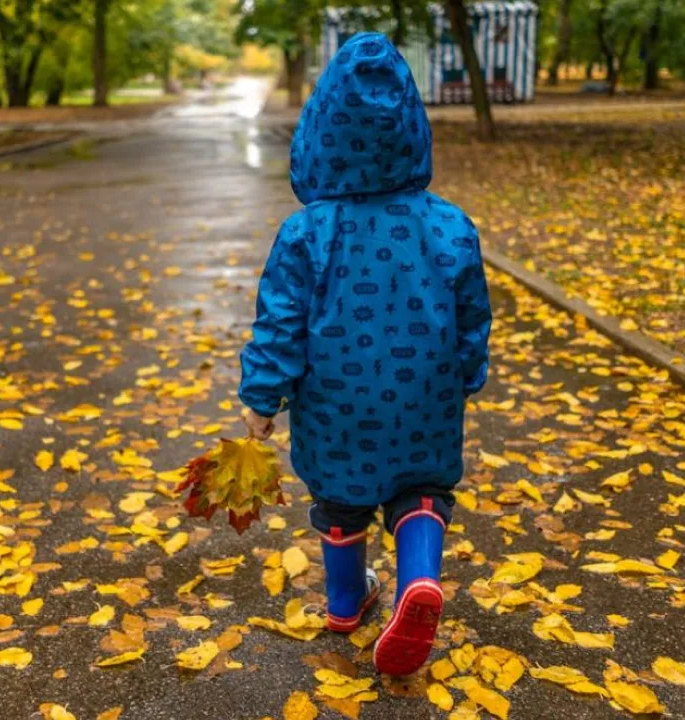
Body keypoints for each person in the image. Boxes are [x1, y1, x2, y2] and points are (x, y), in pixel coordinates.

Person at [238, 32, 492, 677]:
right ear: (412, 130)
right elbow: (471, 314)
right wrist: (468, 374)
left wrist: (261, 397)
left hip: (336, 404)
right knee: (423, 490)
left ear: (320, 132)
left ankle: (346, 602)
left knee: (340, 499)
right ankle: (418, 581)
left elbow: (281, 322)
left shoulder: (306, 232)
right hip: (425, 396)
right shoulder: (450, 225)